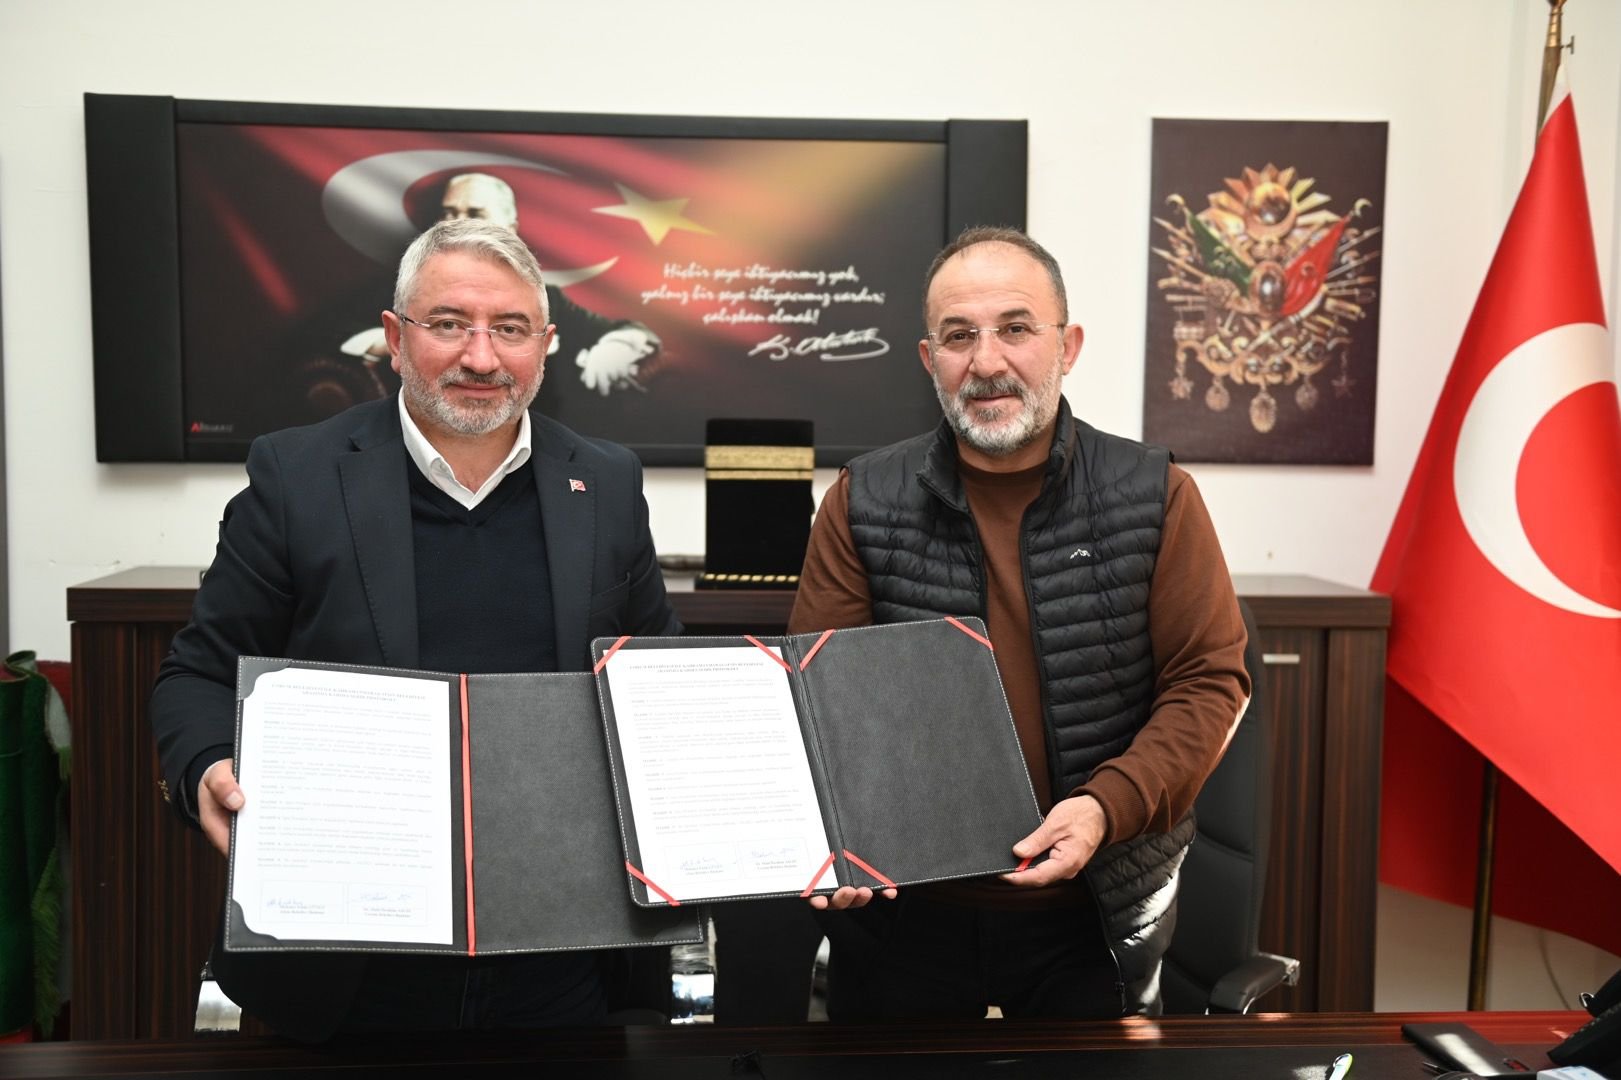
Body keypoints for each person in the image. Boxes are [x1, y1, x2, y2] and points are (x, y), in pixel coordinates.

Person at [150, 217, 680, 1041]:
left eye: (509, 329)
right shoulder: (296, 476)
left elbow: (658, 684)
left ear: (545, 347)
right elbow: (199, 675)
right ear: (395, 340)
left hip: (561, 953)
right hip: (344, 961)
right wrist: (207, 768)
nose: (481, 358)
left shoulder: (606, 482)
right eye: (449, 324)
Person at [791, 225, 1251, 1020]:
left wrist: (1105, 807)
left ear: (1067, 346)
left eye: (1014, 328)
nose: (987, 361)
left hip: (1097, 914)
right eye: (958, 336)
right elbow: (820, 702)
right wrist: (838, 831)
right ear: (928, 358)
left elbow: (1209, 685)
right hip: (906, 916)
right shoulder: (862, 499)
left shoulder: (1155, 494)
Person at [340, 172, 660, 398]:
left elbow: (631, 331)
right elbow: (326, 331)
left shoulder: (547, 299)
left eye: (475, 213)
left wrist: (617, 347)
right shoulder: (403, 288)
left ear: (511, 229)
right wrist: (390, 343)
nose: (457, 224)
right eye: (449, 212)